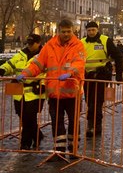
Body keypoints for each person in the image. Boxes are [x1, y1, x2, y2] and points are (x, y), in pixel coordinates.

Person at [18, 18, 86, 156]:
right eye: (63, 31)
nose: (66, 34)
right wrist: (25, 73)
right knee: (56, 122)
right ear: (58, 31)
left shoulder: (78, 45)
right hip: (54, 94)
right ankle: (59, 151)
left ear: (73, 31)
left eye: (69, 31)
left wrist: (70, 73)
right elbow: (37, 64)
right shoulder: (50, 46)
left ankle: (73, 149)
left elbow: (79, 63)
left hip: (72, 92)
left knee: (73, 121)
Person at [0, 34, 45, 150]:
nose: (29, 46)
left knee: (29, 117)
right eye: (28, 43)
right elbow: (9, 65)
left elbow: (48, 72)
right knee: (23, 117)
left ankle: (25, 143)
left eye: (32, 43)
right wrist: (2, 70)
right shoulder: (20, 54)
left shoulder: (44, 55)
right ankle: (38, 136)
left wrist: (43, 84)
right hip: (19, 93)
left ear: (38, 42)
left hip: (35, 93)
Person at [81, 21, 123, 137]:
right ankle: (92, 124)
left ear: (97, 29)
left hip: (101, 75)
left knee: (97, 101)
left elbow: (118, 56)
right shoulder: (82, 42)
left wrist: (119, 74)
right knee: (89, 100)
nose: (91, 32)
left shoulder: (105, 40)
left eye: (93, 30)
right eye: (89, 30)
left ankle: (95, 125)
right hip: (87, 76)